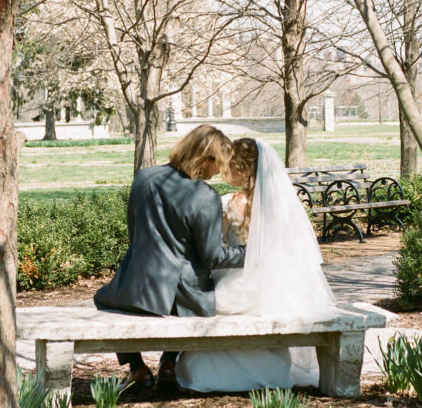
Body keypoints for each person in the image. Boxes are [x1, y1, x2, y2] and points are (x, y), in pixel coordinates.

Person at [174, 137, 338, 392]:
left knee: (212, 302)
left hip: (235, 285)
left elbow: (215, 252)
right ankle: (270, 373)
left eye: (230, 165)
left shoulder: (228, 202)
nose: (225, 171)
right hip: (273, 285)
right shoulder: (282, 204)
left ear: (243, 167)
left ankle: (209, 376)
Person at [94, 124, 246, 390]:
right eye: (218, 164)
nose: (218, 172)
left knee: (103, 298)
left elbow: (135, 233)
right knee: (197, 294)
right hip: (183, 297)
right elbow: (212, 257)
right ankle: (169, 362)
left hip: (135, 287)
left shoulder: (144, 178)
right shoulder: (204, 195)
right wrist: (252, 253)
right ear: (205, 158)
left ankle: (137, 368)